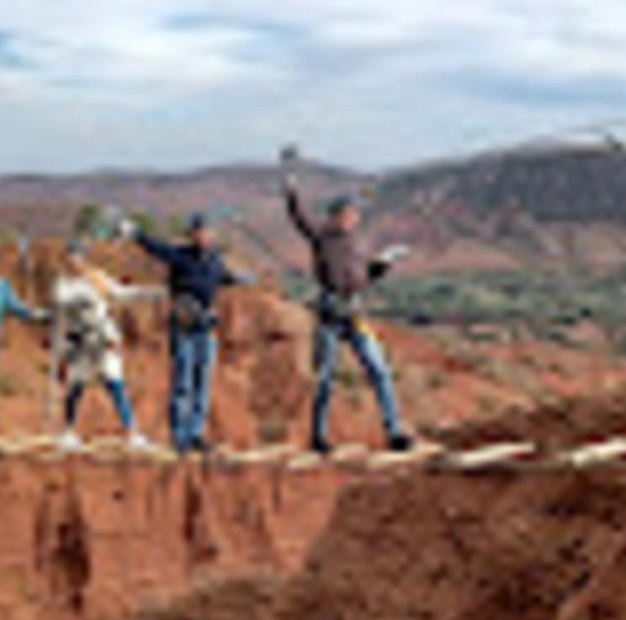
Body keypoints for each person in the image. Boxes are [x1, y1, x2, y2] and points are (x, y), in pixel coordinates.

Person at [282, 159, 412, 455]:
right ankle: (318, 436)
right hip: (330, 315)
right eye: (350, 214)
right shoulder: (322, 236)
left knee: (379, 371)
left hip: (353, 315)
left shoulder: (354, 243)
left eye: (355, 215)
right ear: (338, 215)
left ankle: (394, 432)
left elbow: (362, 278)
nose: (354, 219)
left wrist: (383, 264)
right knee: (325, 378)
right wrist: (290, 185)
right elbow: (298, 217)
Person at [124, 214, 252, 453]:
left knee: (201, 381)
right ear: (191, 235)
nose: (203, 236)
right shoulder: (181, 256)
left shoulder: (214, 261)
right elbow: (157, 249)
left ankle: (195, 434)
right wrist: (137, 234)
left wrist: (240, 279)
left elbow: (224, 278)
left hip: (205, 327)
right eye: (199, 232)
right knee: (182, 380)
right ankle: (179, 435)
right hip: (184, 327)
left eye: (206, 232)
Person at [51, 240, 160, 451]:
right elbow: (61, 302)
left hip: (102, 337)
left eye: (77, 256)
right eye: (70, 257)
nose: (74, 261)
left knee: (114, 382)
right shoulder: (64, 284)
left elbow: (121, 293)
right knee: (76, 384)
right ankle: (68, 432)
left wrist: (151, 293)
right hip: (79, 340)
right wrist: (87, 291)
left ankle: (131, 432)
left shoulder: (97, 278)